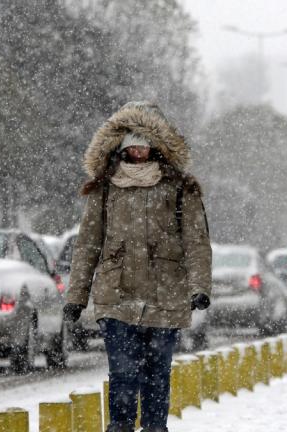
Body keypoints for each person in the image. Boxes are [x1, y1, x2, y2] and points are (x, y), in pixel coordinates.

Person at [63, 101, 212, 431]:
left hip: (165, 295)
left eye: (144, 143)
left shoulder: (180, 187)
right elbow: (88, 244)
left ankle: (156, 427)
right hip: (117, 296)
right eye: (132, 143)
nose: (139, 150)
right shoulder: (104, 188)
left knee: (157, 372)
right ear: (120, 146)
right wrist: (76, 296)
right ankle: (120, 427)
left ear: (156, 145)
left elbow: (196, 241)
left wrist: (200, 288)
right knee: (123, 372)